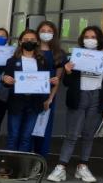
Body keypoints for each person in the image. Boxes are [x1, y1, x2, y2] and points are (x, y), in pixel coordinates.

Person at [48, 26, 103, 183]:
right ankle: (61, 167)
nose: (90, 39)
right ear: (82, 39)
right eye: (87, 36)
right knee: (72, 134)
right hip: (79, 97)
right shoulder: (75, 57)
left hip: (97, 97)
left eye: (93, 37)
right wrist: (68, 71)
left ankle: (82, 166)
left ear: (99, 40)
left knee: (88, 135)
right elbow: (68, 83)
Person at [2, 29, 57, 152]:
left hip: (34, 103)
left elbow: (45, 82)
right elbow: (6, 82)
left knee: (26, 137)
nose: (29, 42)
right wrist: (5, 80)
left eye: (32, 40)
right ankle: (10, 165)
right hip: (16, 103)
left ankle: (22, 167)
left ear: (37, 42)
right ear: (20, 42)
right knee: (13, 136)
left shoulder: (43, 61)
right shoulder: (11, 61)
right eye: (26, 39)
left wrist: (51, 82)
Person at [33, 20, 67, 157]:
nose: (46, 34)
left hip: (48, 98)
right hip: (30, 96)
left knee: (43, 129)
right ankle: (26, 160)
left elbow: (57, 80)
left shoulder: (59, 53)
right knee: (28, 128)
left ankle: (41, 160)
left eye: (49, 31)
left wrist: (50, 99)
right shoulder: (32, 51)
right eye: (43, 31)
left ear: (54, 34)